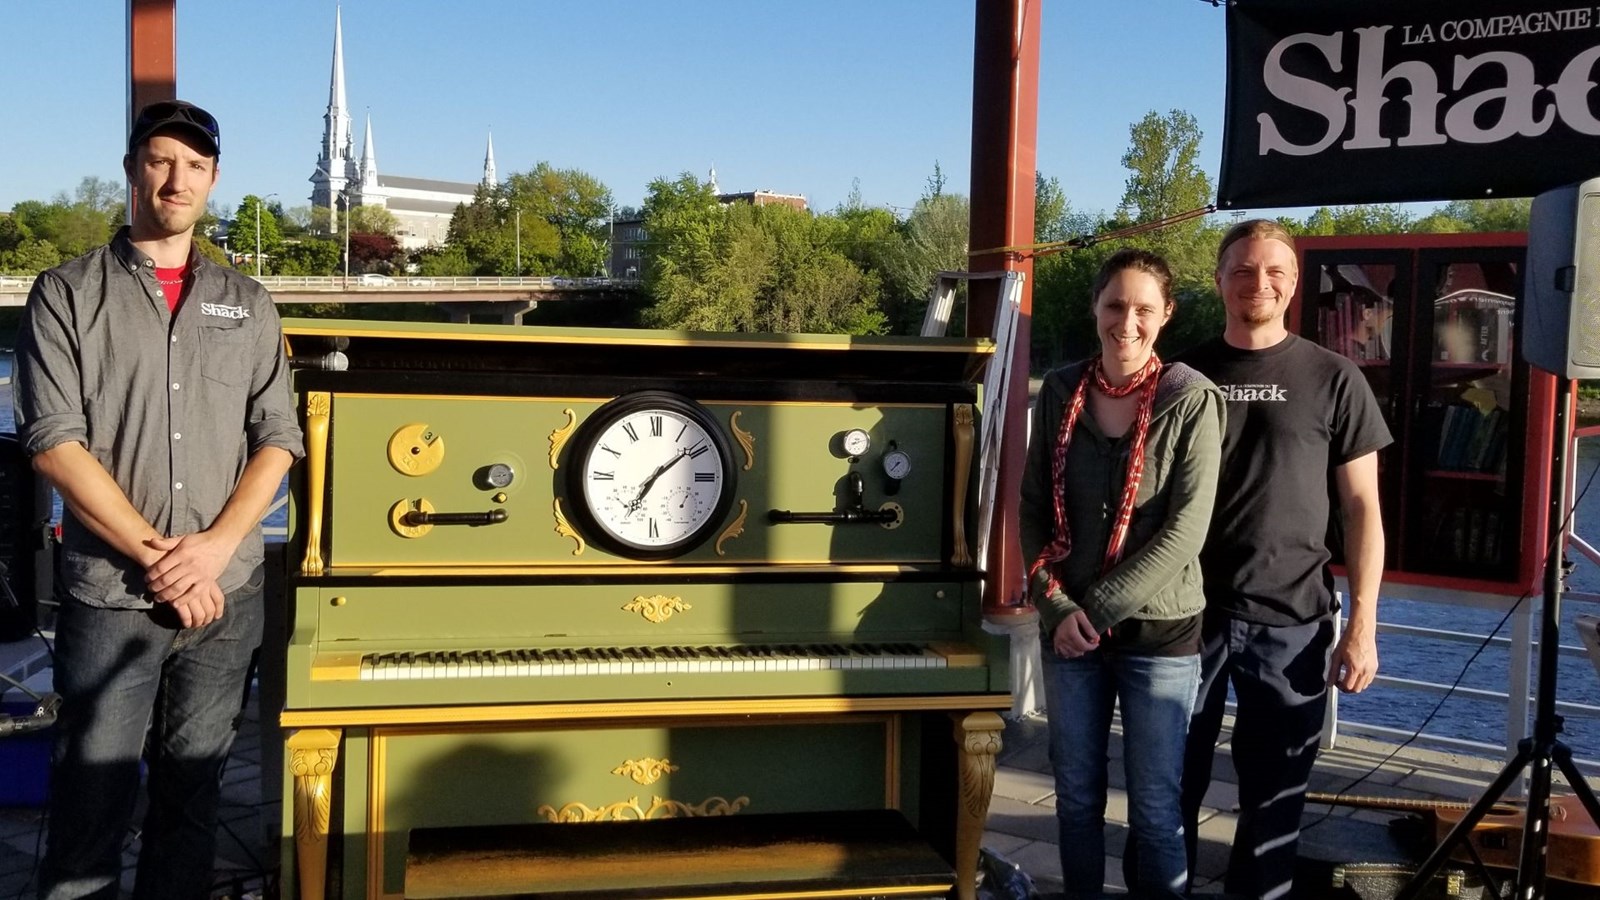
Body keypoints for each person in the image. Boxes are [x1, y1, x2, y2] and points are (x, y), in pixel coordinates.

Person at [14, 100, 303, 900]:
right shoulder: (67, 294)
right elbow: (53, 442)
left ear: (214, 181)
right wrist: (163, 559)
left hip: (225, 593)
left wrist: (212, 552)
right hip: (112, 597)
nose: (177, 179)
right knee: (90, 805)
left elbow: (278, 437)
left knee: (192, 798)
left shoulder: (246, 304)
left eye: (196, 166)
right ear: (133, 168)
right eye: (161, 159)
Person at [1178, 219, 1390, 899]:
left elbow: (1363, 510)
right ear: (1219, 280)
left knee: (1273, 805)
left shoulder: (1336, 378)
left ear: (1294, 283)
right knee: (1167, 787)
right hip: (1184, 616)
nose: (1257, 283)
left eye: (1273, 271)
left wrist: (1362, 627)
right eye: (1242, 269)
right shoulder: (1183, 374)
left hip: (1292, 621)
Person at [1020, 248, 1225, 899]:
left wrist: (1092, 611)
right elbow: (1029, 507)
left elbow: (1186, 531)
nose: (1126, 322)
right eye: (1115, 305)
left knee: (1156, 810)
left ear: (1165, 315)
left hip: (1158, 632)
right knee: (1076, 799)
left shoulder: (1191, 400)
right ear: (1096, 309)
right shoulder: (1060, 390)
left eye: (1143, 308)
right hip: (1069, 631)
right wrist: (1055, 608)